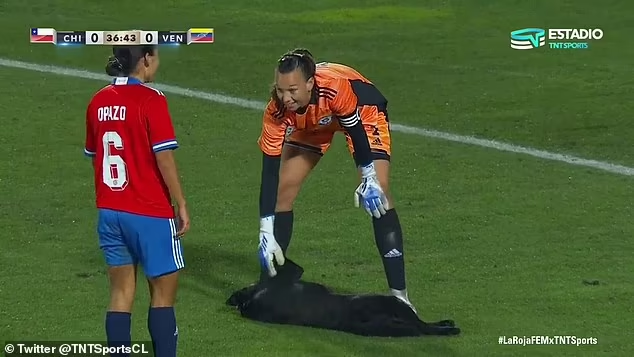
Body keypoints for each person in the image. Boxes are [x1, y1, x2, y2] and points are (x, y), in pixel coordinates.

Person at [256, 48, 416, 312]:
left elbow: (354, 129)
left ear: (310, 83)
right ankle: (271, 284)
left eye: (293, 90)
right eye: (281, 89)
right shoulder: (277, 109)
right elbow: (269, 171)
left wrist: (368, 177)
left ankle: (400, 298)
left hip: (361, 111)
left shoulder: (334, 88)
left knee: (380, 194)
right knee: (282, 192)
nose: (285, 97)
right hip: (314, 121)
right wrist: (265, 230)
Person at [84, 45, 189, 357]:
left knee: (120, 294)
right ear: (146, 59)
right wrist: (180, 202)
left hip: (109, 211)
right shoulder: (151, 99)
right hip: (150, 213)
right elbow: (164, 156)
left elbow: (95, 156)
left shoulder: (98, 100)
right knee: (162, 297)